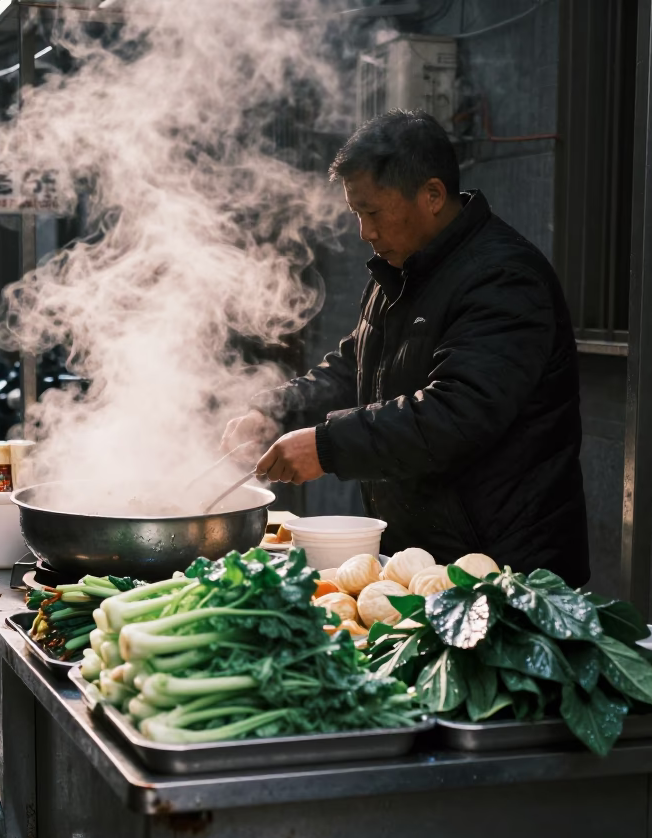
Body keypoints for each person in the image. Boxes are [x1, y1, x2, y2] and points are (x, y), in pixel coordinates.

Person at [222, 109, 589, 586]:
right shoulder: (398, 270)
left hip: (504, 569)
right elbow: (353, 369)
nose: (365, 233)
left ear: (433, 195)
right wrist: (276, 412)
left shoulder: (504, 278)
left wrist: (327, 446)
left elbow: (456, 414)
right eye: (357, 214)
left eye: (373, 212)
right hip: (422, 560)